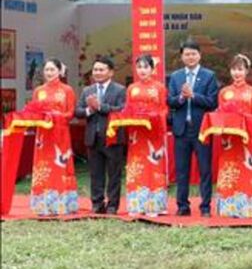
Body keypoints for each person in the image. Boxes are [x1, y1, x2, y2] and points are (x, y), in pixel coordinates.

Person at [200, 54, 252, 218]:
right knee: (228, 171)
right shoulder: (224, 92)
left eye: (240, 69)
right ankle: (228, 208)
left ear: (246, 71)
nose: (237, 73)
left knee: (246, 171)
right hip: (228, 140)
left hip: (246, 139)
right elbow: (221, 116)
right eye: (234, 69)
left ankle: (246, 208)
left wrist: (241, 119)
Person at [111, 54, 169, 216]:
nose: (142, 70)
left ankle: (154, 205)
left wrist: (155, 116)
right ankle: (136, 205)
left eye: (145, 67)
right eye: (139, 67)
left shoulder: (159, 87)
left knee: (153, 165)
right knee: (137, 166)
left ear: (152, 69)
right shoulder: (132, 88)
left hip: (153, 133)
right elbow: (127, 108)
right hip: (136, 134)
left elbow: (164, 109)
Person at [168, 39, 220, 217]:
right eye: (187, 54)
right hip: (181, 130)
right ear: (182, 57)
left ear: (200, 55)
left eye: (193, 54)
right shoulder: (175, 77)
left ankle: (205, 207)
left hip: (202, 130)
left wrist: (194, 95)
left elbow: (212, 102)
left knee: (205, 170)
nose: (190, 57)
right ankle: (183, 206)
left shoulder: (209, 76)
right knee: (182, 171)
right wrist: (181, 98)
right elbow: (170, 101)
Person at [25, 59, 78, 216]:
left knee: (60, 165)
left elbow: (71, 113)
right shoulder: (38, 91)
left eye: (52, 69)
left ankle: (62, 204)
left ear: (60, 71)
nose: (49, 73)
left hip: (60, 134)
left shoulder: (67, 90)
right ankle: (42, 205)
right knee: (43, 166)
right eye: (47, 70)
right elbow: (33, 111)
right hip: (43, 135)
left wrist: (56, 115)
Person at [74, 56, 126, 214]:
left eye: (101, 70)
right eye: (95, 69)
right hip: (93, 138)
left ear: (110, 72)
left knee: (114, 173)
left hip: (112, 138)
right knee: (95, 173)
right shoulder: (87, 90)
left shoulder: (120, 90)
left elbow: (122, 110)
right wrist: (89, 110)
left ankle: (112, 205)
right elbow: (78, 111)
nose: (97, 72)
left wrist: (101, 107)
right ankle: (97, 203)